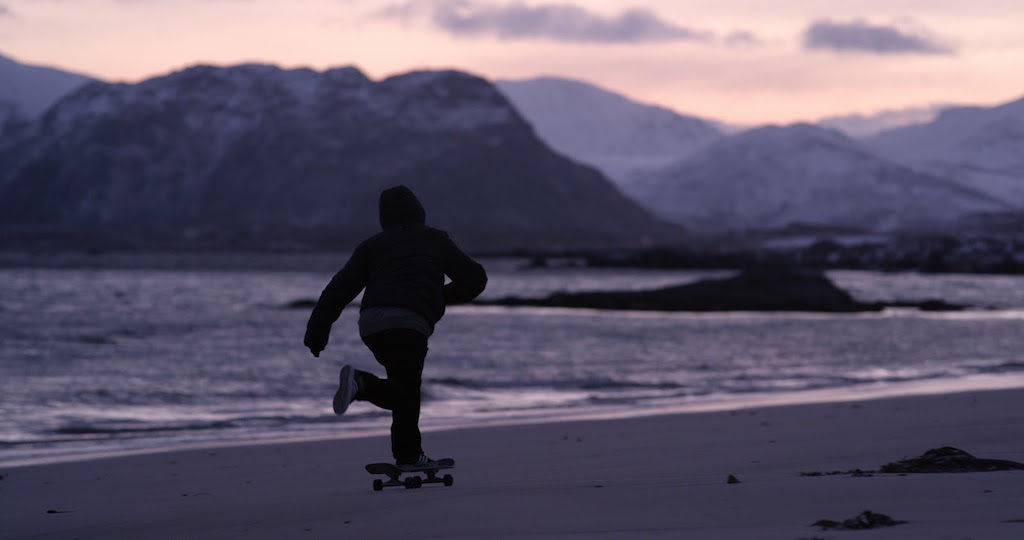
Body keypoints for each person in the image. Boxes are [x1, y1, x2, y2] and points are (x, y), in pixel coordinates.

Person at [303, 185, 487, 469]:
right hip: (409, 323)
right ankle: (366, 393)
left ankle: (404, 449)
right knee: (407, 391)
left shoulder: (371, 246)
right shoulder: (435, 240)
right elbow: (476, 278)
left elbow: (338, 290)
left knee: (402, 387)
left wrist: (317, 329)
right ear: (419, 211)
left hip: (372, 325)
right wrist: (438, 297)